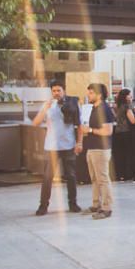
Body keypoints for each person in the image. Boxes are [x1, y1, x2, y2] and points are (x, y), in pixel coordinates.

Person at [32, 80, 81, 215]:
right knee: (48, 177)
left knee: (71, 176)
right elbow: (35, 122)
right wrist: (45, 109)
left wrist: (79, 142)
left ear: (63, 90)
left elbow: (79, 125)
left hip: (69, 145)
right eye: (53, 91)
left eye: (58, 90)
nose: (56, 93)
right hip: (52, 147)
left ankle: (73, 203)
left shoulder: (72, 104)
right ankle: (43, 206)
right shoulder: (48, 105)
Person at [81, 83, 116, 219]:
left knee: (103, 179)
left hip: (101, 149)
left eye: (91, 93)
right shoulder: (94, 108)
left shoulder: (104, 109)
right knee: (95, 179)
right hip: (92, 147)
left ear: (99, 95)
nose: (88, 95)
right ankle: (96, 205)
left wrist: (89, 130)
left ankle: (107, 208)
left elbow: (108, 130)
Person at [112, 89, 135, 182]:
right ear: (125, 96)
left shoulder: (117, 106)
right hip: (127, 132)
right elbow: (133, 121)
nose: (131, 97)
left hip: (118, 132)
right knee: (132, 154)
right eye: (129, 95)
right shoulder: (127, 106)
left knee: (121, 155)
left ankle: (122, 176)